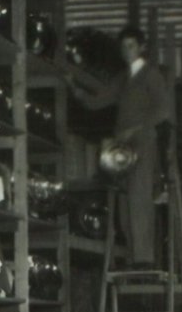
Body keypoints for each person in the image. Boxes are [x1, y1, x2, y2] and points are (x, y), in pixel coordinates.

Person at [69, 25, 174, 266]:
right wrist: (75, 89)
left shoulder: (150, 75)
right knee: (125, 200)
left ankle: (144, 258)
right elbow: (99, 101)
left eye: (131, 46)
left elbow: (163, 110)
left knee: (139, 197)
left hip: (142, 142)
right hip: (121, 146)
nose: (127, 51)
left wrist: (137, 128)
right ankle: (132, 255)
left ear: (141, 48)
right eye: (123, 46)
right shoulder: (122, 78)